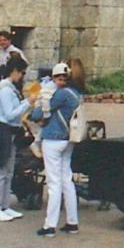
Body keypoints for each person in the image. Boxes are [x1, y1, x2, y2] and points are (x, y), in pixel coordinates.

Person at [29, 60, 85, 236]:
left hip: (53, 139)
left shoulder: (60, 94)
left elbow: (39, 113)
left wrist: (35, 108)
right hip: (68, 139)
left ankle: (49, 225)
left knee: (54, 182)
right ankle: (72, 222)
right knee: (66, 179)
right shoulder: (76, 93)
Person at [0, 57, 35, 222]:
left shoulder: (11, 89)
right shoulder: (5, 90)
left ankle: (5, 205)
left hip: (11, 131)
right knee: (2, 170)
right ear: (14, 71)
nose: (22, 76)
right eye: (21, 73)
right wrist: (27, 103)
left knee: (9, 171)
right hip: (4, 130)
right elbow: (10, 114)